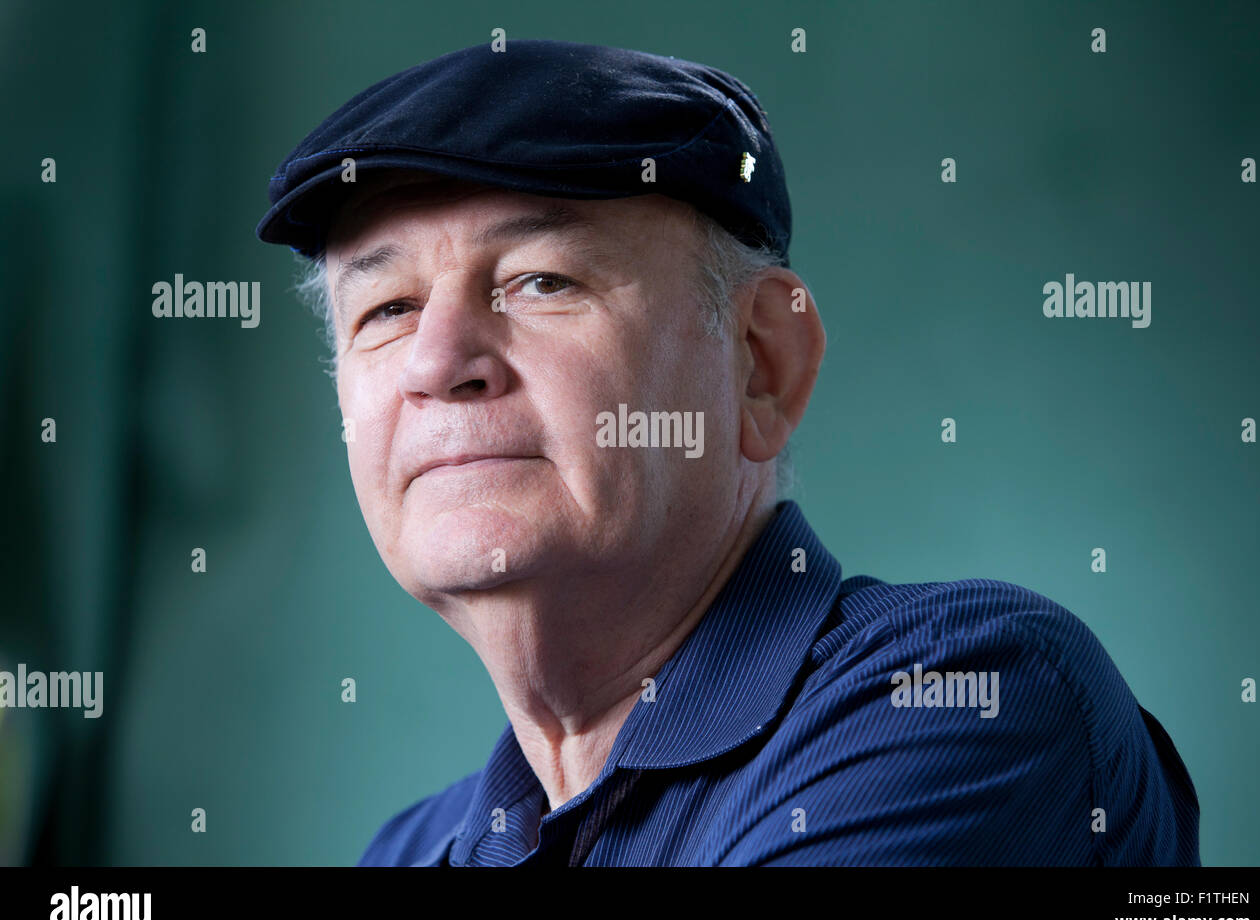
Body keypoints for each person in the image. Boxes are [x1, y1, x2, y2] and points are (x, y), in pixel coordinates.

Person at [256, 38, 1200, 866]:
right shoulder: (413, 849)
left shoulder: (964, 703)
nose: (437, 362)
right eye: (386, 310)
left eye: (541, 280)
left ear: (760, 365)